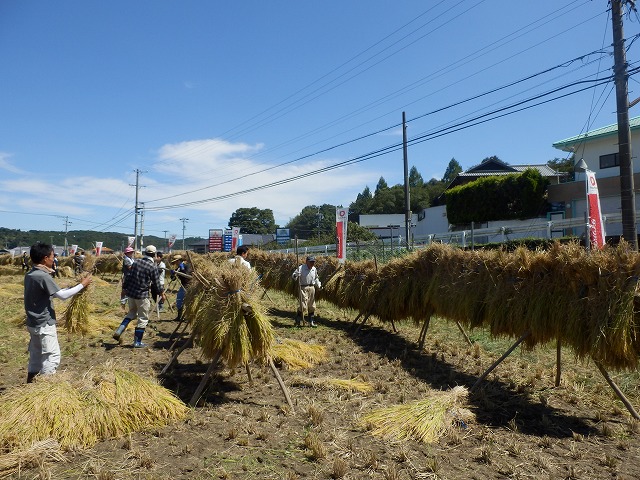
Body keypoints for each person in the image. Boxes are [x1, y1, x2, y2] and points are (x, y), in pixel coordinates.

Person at [24, 243, 93, 382]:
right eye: (52, 255)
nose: (53, 258)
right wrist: (82, 284)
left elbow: (54, 293)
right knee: (52, 356)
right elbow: (62, 296)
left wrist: (73, 287)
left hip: (33, 322)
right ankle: (45, 388)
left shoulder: (31, 274)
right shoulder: (43, 276)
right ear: (45, 258)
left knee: (36, 357)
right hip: (44, 323)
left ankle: (30, 384)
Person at [113, 245, 165, 347]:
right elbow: (156, 283)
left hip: (131, 294)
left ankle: (119, 330)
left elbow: (127, 277)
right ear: (154, 255)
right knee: (143, 318)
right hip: (142, 295)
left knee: (132, 313)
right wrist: (161, 294)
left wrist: (124, 289)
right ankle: (137, 342)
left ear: (145, 253)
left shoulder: (135, 262)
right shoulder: (152, 267)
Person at [292, 255, 322, 327]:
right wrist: (296, 275)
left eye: (313, 262)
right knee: (303, 306)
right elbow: (293, 276)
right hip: (303, 288)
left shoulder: (314, 269)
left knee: (312, 306)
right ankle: (298, 319)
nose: (312, 264)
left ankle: (311, 322)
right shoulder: (301, 268)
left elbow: (316, 278)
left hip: (312, 288)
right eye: (311, 262)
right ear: (307, 262)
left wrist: (319, 285)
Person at [170, 254, 191, 323]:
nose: (175, 263)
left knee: (189, 302)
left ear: (179, 261)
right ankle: (179, 317)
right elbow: (173, 279)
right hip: (183, 286)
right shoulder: (178, 268)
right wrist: (172, 274)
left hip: (189, 286)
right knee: (179, 300)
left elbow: (187, 276)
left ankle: (189, 318)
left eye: (176, 261)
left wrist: (182, 270)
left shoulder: (187, 266)